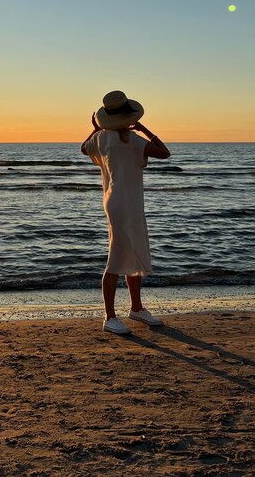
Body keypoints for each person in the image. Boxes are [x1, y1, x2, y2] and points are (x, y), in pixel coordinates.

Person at [81, 90, 171, 335]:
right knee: (117, 257)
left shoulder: (100, 138)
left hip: (118, 202)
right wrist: (144, 129)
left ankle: (136, 308)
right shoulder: (134, 140)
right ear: (129, 116)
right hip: (126, 203)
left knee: (132, 252)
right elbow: (164, 152)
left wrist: (95, 129)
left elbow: (83, 148)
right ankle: (109, 317)